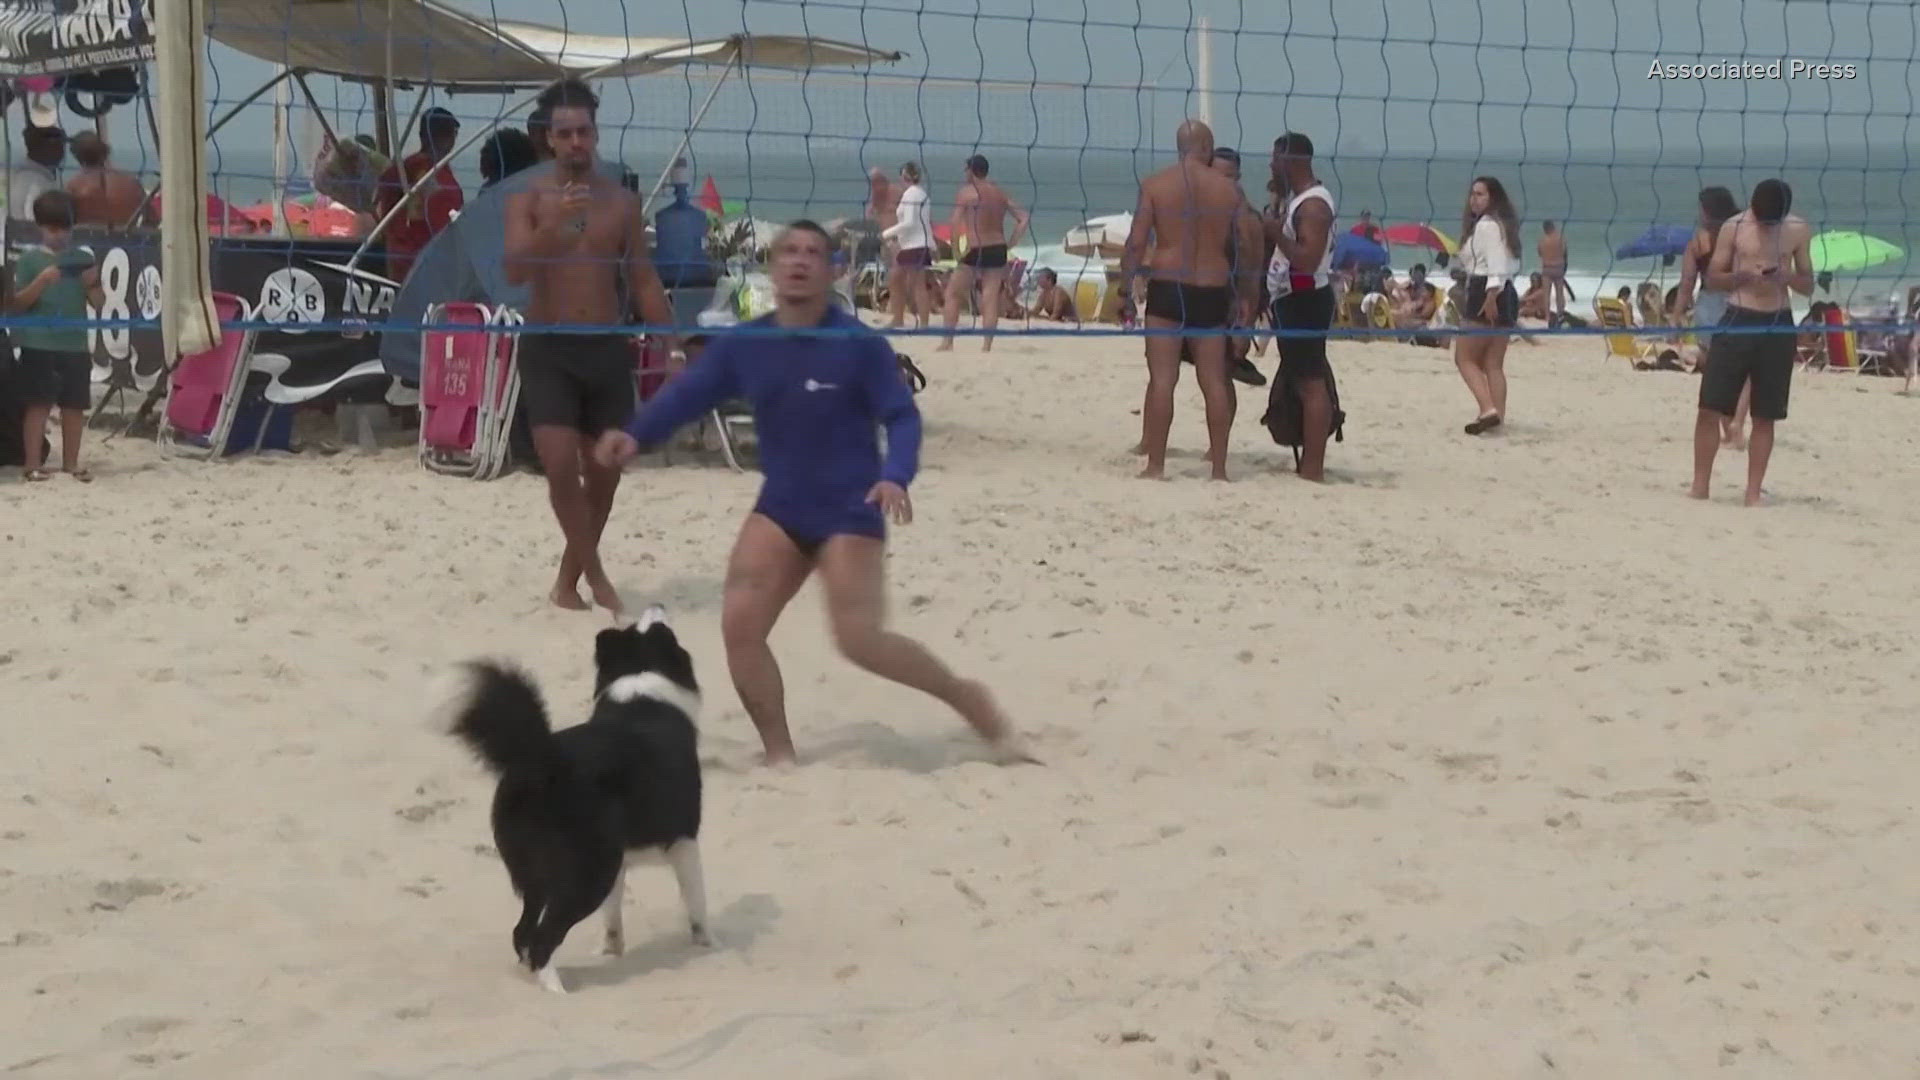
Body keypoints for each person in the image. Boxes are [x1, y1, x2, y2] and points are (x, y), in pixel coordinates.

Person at [596, 220, 1033, 769]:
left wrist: (896, 474)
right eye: (790, 252)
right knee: (741, 628)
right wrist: (635, 435)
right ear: (773, 266)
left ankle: (966, 697)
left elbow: (901, 416)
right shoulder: (747, 343)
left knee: (859, 641)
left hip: (851, 508)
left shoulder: (859, 345)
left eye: (812, 253)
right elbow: (688, 396)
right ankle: (779, 754)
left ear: (830, 271)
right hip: (782, 508)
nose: (800, 261)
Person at [503, 78, 676, 613]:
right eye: (565, 133)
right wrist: (550, 227)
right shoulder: (527, 199)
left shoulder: (621, 202)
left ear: (594, 135)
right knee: (558, 464)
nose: (576, 141)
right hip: (548, 345)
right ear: (548, 139)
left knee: (605, 470)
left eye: (584, 131)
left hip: (605, 346)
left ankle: (566, 581)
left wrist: (670, 347)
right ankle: (596, 574)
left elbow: (642, 278)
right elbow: (512, 271)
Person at [1122, 119, 1262, 481]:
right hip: (1211, 288)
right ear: (1205, 148)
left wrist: (1126, 285)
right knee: (1213, 381)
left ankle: (1155, 465)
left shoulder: (1155, 185)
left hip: (1168, 284)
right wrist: (1246, 295)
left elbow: (1136, 243)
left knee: (1162, 380)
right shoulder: (1229, 191)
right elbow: (1245, 245)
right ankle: (1218, 469)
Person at [1690, 178, 1812, 507]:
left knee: (1766, 414)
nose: (1765, 225)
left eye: (1771, 221)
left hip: (1777, 322)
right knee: (1709, 406)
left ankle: (1753, 493)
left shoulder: (1798, 230)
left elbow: (1808, 285)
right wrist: (1738, 277)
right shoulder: (1734, 227)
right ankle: (1700, 486)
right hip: (1737, 316)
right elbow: (1712, 278)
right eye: (1761, 219)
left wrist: (1786, 277)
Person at [9, 191, 103, 482]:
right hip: (39, 343)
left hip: (74, 344)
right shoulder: (29, 260)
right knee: (38, 406)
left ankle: (71, 463)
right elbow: (18, 304)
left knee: (74, 406)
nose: (59, 235)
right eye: (53, 229)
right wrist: (41, 281)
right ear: (40, 227)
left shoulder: (82, 259)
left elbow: (99, 304)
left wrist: (93, 284)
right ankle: (33, 464)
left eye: (65, 228)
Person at [1262, 131, 1339, 482]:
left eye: (1275, 158)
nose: (1270, 164)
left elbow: (1307, 260)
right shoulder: (1298, 201)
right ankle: (1309, 462)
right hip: (1293, 298)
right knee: (1301, 379)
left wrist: (1274, 232)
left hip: (1306, 298)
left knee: (1311, 383)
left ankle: (1313, 468)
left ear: (1292, 161)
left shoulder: (1314, 205)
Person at [938, 154, 1029, 352]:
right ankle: (986, 346)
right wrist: (1011, 243)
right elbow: (1023, 218)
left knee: (953, 293)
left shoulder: (967, 193)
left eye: (966, 169)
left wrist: (955, 250)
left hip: (976, 247)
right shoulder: (999, 193)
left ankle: (948, 342)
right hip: (997, 248)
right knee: (990, 298)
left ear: (972, 171)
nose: (964, 173)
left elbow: (954, 223)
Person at [1452, 176, 1521, 435]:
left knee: (1464, 358)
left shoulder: (1487, 226)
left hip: (1488, 290)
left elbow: (1496, 265)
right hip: (1506, 290)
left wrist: (1491, 296)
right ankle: (1497, 417)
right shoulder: (1503, 226)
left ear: (1493, 198)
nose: (1474, 199)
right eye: (1472, 194)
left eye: (1480, 194)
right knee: (1493, 363)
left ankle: (1487, 409)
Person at [1676, 186, 1744, 444]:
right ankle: (1733, 423)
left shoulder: (1699, 242)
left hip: (1707, 307)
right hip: (1736, 304)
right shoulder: (1740, 236)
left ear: (1707, 211)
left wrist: (1676, 317)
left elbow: (1686, 284)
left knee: (1714, 371)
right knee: (1737, 371)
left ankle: (1726, 425)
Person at [376, 106, 464, 280]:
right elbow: (445, 229)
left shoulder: (398, 171)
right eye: (450, 133)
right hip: (427, 263)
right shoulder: (440, 179)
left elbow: (380, 206)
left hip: (398, 259)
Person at [880, 161, 934, 330]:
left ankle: (923, 325)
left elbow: (910, 222)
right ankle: (898, 319)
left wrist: (886, 234)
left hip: (914, 246)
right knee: (896, 279)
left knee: (917, 285)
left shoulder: (911, 194)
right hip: (913, 245)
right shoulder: (921, 194)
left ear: (904, 177)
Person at [64, 132, 144, 228]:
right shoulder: (132, 182)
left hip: (88, 239)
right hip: (128, 239)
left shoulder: (74, 187)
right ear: (105, 151)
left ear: (76, 155)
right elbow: (152, 219)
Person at [7, 125, 65, 218]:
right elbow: (35, 224)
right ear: (47, 147)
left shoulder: (17, 175)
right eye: (60, 144)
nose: (63, 151)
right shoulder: (38, 184)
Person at [1537, 220, 1573, 316]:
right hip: (1558, 268)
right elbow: (1565, 253)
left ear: (1545, 229)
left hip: (1547, 268)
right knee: (1559, 294)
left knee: (1546, 295)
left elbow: (1540, 253)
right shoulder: (1561, 238)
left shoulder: (1543, 240)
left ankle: (1547, 317)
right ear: (1553, 227)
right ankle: (1560, 315)